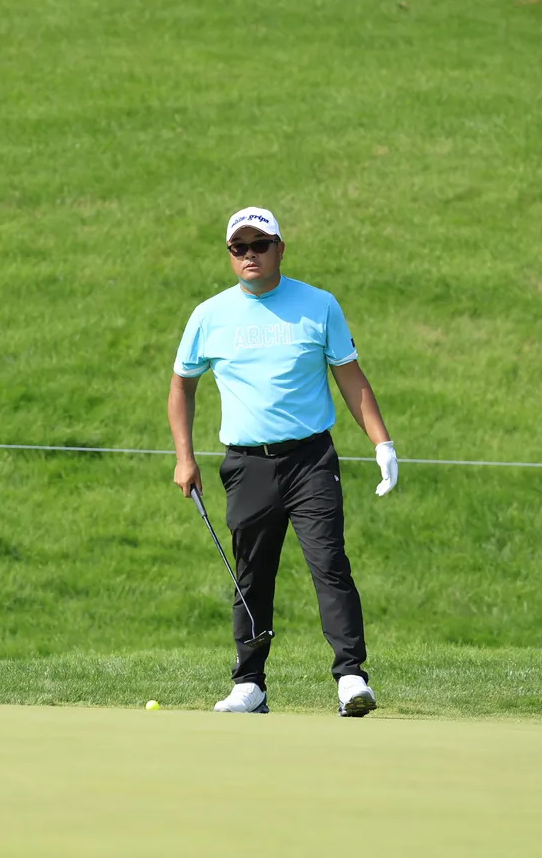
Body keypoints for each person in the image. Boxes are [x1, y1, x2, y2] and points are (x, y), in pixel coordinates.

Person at [167, 206, 399, 717]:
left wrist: (382, 443)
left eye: (260, 245)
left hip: (309, 460)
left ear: (280, 249)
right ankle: (250, 684)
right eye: (239, 248)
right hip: (247, 465)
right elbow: (181, 387)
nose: (249, 255)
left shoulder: (319, 305)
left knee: (329, 564)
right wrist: (185, 458)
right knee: (251, 574)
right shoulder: (209, 315)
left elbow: (351, 378)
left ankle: (351, 676)